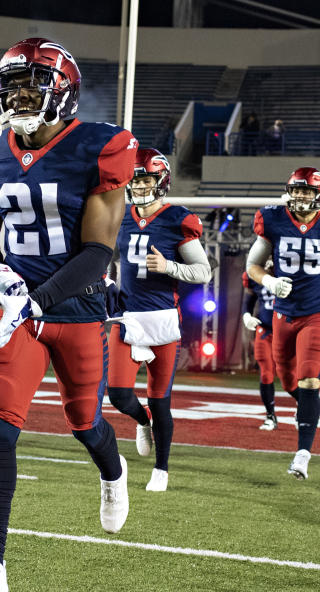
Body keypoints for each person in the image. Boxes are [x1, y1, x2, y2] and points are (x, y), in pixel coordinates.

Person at [0, 38, 136, 592]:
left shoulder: (102, 147)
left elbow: (99, 253)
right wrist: (1, 278)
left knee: (85, 423)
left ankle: (112, 470)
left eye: (32, 85)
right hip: (19, 313)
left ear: (63, 93)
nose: (19, 96)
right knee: (1, 427)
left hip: (76, 308)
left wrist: (37, 298)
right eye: (11, 86)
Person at [246, 167, 320, 480]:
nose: (299, 196)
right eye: (296, 190)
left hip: (317, 313)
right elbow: (253, 265)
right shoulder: (273, 218)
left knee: (310, 379)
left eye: (306, 191)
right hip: (283, 315)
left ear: (319, 195)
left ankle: (302, 454)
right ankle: (307, 411)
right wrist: (269, 281)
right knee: (289, 383)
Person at [107, 149, 211, 492]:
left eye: (145, 179)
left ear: (161, 181)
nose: (138, 186)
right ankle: (142, 421)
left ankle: (161, 468)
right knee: (119, 394)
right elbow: (110, 258)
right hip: (127, 316)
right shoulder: (119, 215)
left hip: (163, 319)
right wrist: (106, 280)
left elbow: (203, 271)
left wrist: (169, 267)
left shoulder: (178, 218)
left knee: (159, 398)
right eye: (134, 179)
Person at [242, 261, 277, 430]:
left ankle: (304, 408)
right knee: (266, 373)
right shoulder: (255, 276)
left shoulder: (293, 271)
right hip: (265, 329)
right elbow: (248, 300)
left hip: (288, 329)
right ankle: (270, 416)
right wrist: (247, 316)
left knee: (291, 378)